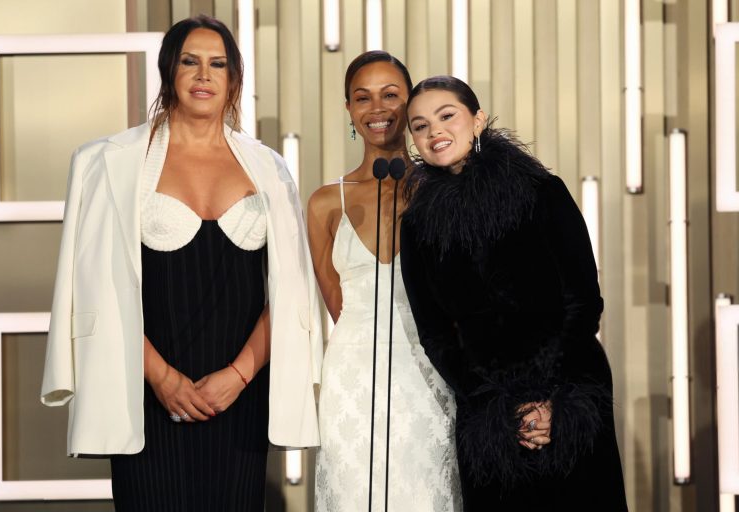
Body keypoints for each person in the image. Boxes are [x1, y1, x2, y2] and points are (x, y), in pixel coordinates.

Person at [40, 15, 321, 511]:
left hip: (240, 397)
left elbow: (291, 291)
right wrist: (163, 379)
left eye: (218, 64)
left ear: (234, 78)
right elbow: (96, 288)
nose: (204, 75)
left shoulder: (270, 168)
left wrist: (238, 377)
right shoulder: (106, 161)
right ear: (169, 70)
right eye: (190, 61)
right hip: (143, 391)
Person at [400, 75, 628, 511]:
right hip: (487, 408)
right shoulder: (417, 226)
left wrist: (549, 399)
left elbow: (583, 299)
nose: (434, 132)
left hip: (570, 388)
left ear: (478, 119)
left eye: (446, 116)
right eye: (420, 126)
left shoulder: (543, 192)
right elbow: (435, 333)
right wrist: (499, 404)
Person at [307, 52, 462, 511]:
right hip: (352, 382)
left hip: (432, 376)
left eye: (390, 95)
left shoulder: (447, 191)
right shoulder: (325, 202)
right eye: (363, 97)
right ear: (349, 109)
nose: (377, 108)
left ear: (409, 103)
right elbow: (337, 304)